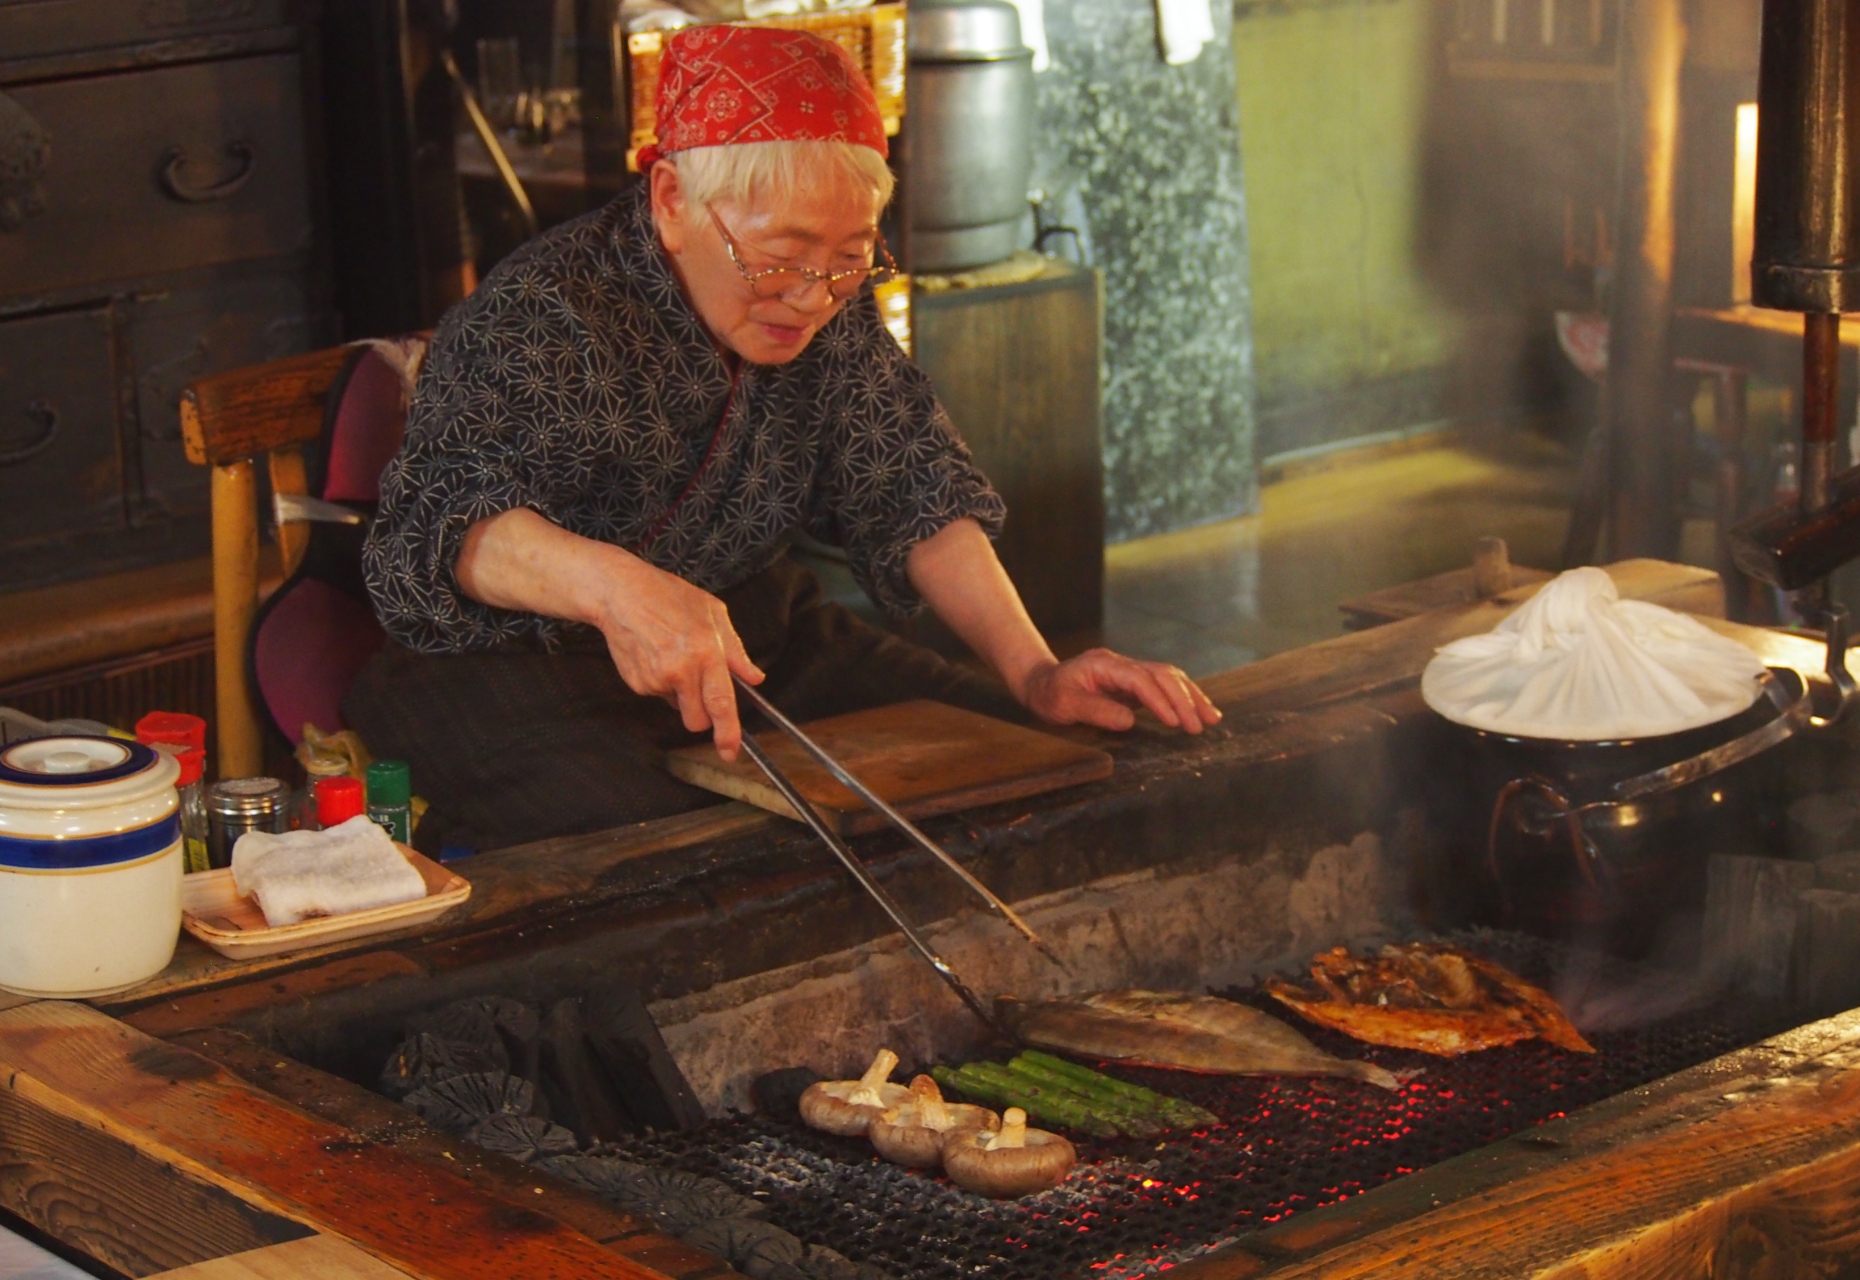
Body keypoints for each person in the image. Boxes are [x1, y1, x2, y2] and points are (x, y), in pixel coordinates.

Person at [348, 24, 1219, 853]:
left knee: (1017, 749)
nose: (810, 297)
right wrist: (617, 591)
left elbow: (914, 487)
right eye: (780, 258)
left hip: (761, 646)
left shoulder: (823, 303)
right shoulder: (543, 312)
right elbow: (438, 529)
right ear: (673, 201)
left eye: (847, 260)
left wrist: (1034, 673)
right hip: (515, 673)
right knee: (689, 850)